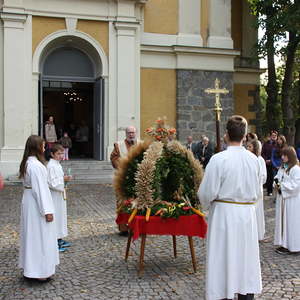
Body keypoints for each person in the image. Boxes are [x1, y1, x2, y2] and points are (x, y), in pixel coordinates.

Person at [198, 115, 262, 300]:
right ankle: (245, 294)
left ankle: (222, 293)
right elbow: (258, 192)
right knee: (245, 258)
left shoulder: (218, 160)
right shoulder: (254, 160)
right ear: (244, 136)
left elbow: (206, 193)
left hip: (224, 216)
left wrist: (205, 204)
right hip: (247, 216)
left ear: (226, 135)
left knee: (222, 258)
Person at [18, 135, 59, 281]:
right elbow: (40, 190)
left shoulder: (28, 163)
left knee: (32, 234)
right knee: (40, 236)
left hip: (30, 201)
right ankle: (40, 271)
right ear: (36, 147)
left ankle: (32, 268)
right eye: (42, 146)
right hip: (36, 204)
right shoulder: (35, 166)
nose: (45, 148)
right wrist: (47, 211)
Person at [110, 126, 140, 235]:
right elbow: (114, 158)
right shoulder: (119, 145)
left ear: (135, 133)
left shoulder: (141, 144)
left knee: (138, 202)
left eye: (133, 132)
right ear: (126, 133)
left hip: (138, 179)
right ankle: (123, 228)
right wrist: (124, 166)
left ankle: (137, 227)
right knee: (123, 202)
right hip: (123, 178)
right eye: (129, 133)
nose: (131, 134)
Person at [274, 146, 300, 255]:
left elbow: (296, 185)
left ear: (290, 156)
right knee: (283, 222)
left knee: (291, 223)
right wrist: (276, 183)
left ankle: (294, 246)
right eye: (282, 155)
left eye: (284, 155)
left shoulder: (296, 169)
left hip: (292, 201)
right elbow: (277, 178)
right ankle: (284, 244)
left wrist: (281, 186)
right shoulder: (283, 167)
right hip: (283, 199)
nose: (282, 157)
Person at [47, 143, 72, 252]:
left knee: (61, 217)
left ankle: (59, 238)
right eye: (58, 154)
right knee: (56, 217)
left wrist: (64, 179)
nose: (61, 156)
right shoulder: (51, 166)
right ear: (52, 154)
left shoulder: (57, 164)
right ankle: (54, 241)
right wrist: (63, 179)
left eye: (62, 153)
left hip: (59, 195)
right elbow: (52, 183)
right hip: (54, 196)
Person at [247, 139, 267, 241]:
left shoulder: (260, 159)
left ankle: (259, 234)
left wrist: (255, 179)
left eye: (250, 147)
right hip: (249, 190)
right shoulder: (247, 159)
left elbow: (263, 177)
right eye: (247, 147)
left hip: (257, 189)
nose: (248, 149)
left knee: (257, 212)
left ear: (255, 148)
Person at [262, 130, 278, 196]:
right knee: (268, 177)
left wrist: (271, 160)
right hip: (267, 163)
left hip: (274, 163)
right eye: (272, 135)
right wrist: (265, 160)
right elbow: (263, 152)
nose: (274, 137)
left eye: (275, 136)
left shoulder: (277, 144)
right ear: (270, 136)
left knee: (274, 178)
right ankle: (269, 191)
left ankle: (275, 191)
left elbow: (276, 154)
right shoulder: (266, 143)